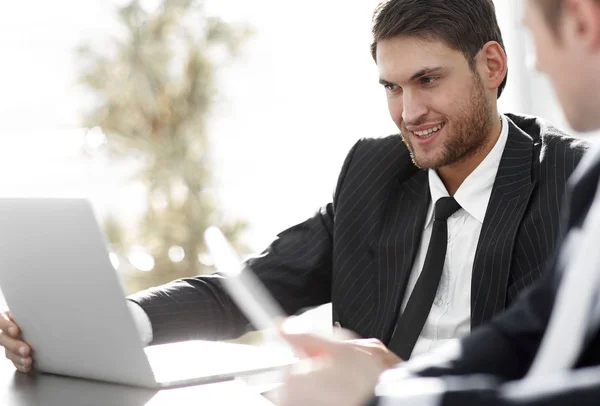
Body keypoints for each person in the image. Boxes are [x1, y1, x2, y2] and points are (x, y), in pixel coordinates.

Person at [0, 0, 589, 374]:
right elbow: (248, 289)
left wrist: (402, 382)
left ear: (492, 65)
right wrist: (113, 321)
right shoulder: (374, 173)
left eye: (427, 80)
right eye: (390, 87)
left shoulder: (571, 182)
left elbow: (549, 368)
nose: (408, 112)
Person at [277, 0, 600, 405]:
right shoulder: (595, 182)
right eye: (392, 87)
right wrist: (389, 385)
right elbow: (529, 329)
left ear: (583, 23)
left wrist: (392, 398)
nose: (535, 64)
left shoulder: (567, 174)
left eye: (428, 79)